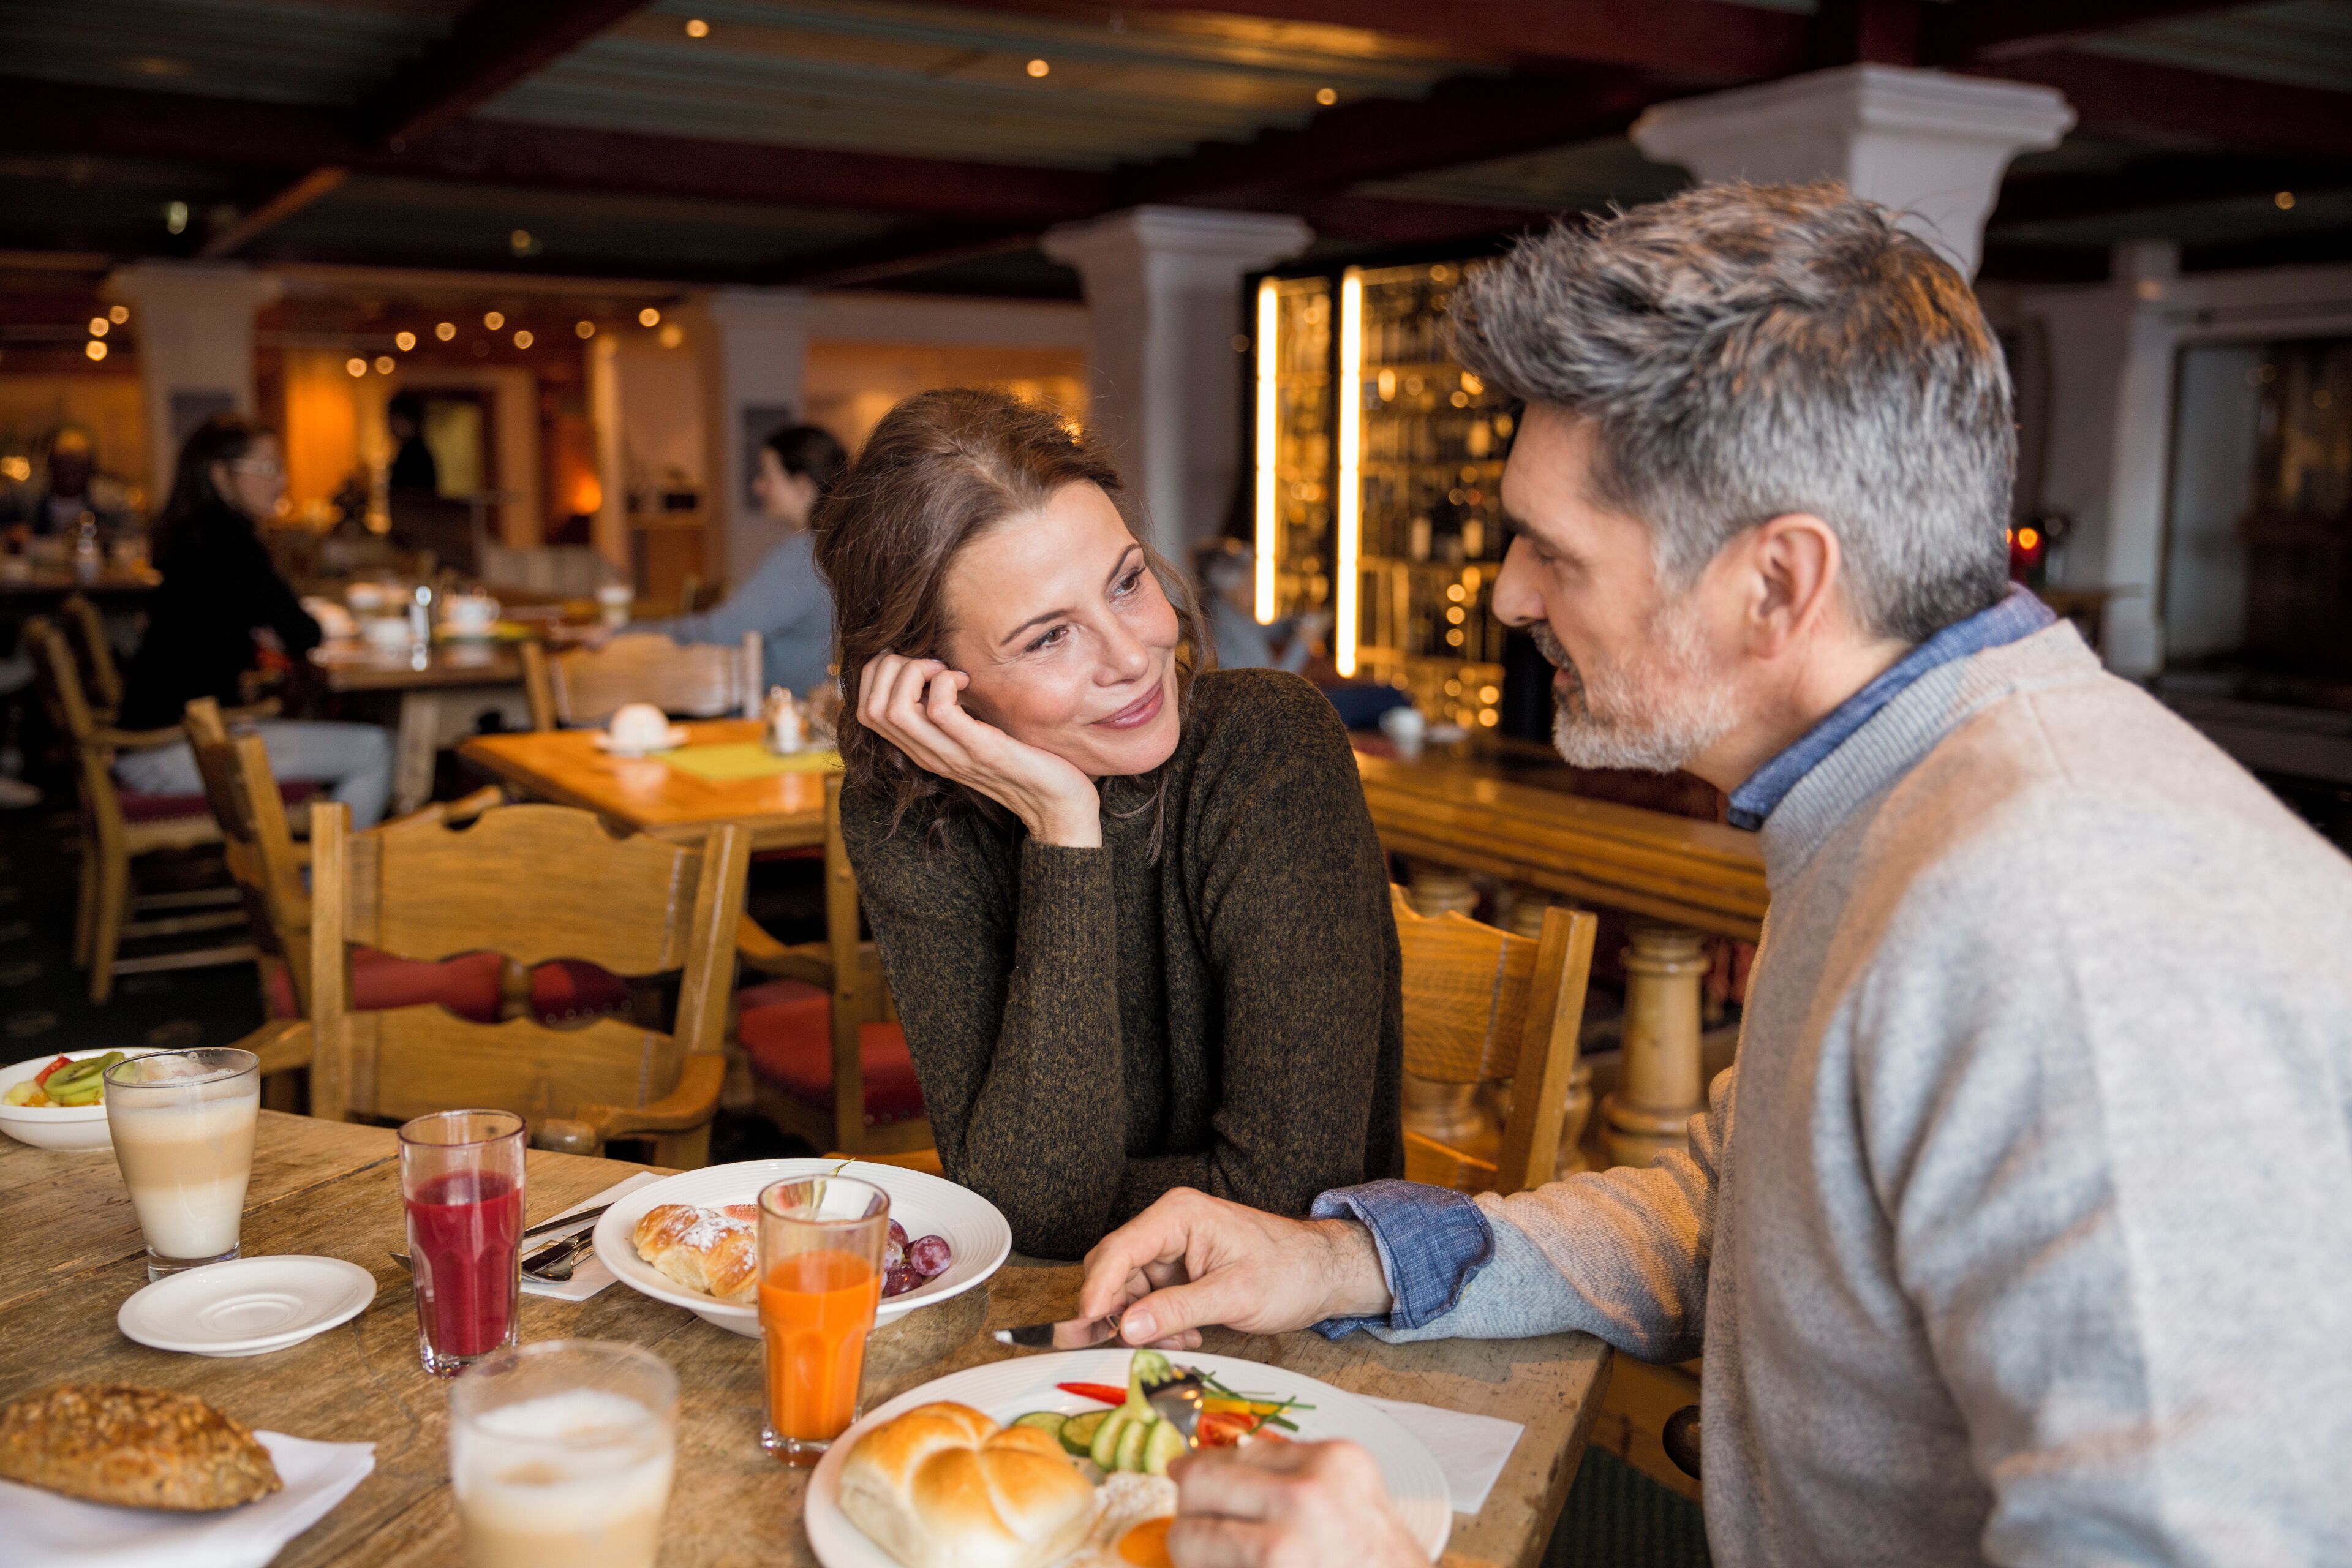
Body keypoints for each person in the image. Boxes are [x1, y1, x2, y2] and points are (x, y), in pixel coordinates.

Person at [1072, 183, 2352, 1566]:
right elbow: (1730, 1213)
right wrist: (1340, 1259)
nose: (1508, 593)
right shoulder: (1896, 800)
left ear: (1778, 583)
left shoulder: (2069, 916)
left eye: (1554, 550)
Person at [812, 387, 1404, 1261]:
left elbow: (1289, 1206)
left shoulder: (1269, 747)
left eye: (1127, 582)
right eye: (1050, 638)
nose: (1134, 656)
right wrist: (1065, 827)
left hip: (1297, 1342)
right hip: (1055, 1325)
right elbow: (1022, 1210)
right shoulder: (908, 815)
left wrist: (1041, 1186)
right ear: (937, 683)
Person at [115, 417, 394, 827]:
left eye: (280, 469)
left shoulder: (195, 535)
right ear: (221, 477)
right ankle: (321, 889)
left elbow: (267, 624)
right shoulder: (229, 540)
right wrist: (278, 630)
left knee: (336, 735)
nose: (280, 481)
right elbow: (302, 633)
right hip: (176, 750)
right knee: (376, 747)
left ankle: (312, 877)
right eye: (266, 469)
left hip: (160, 738)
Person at [640, 422, 845, 696]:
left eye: (768, 476)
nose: (758, 487)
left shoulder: (802, 557)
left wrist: (625, 633)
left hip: (787, 720)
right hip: (818, 713)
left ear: (803, 488)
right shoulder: (840, 547)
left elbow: (720, 632)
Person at [1192, 539, 1327, 674]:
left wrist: (1294, 623)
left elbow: (1259, 630)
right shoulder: (1228, 627)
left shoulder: (1222, 614)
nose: (1256, 590)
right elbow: (1274, 683)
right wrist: (1303, 642)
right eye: (1250, 583)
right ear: (1230, 588)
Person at [0, 427, 135, 539]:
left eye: (78, 464)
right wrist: (11, 534)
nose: (70, 472)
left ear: (91, 468)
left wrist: (106, 537)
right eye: (63, 464)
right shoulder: (23, 500)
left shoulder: (113, 502)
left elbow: (134, 535)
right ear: (51, 465)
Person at [384, 391, 439, 497]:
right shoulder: (412, 450)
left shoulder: (415, 453)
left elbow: (412, 497)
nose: (391, 427)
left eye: (394, 420)